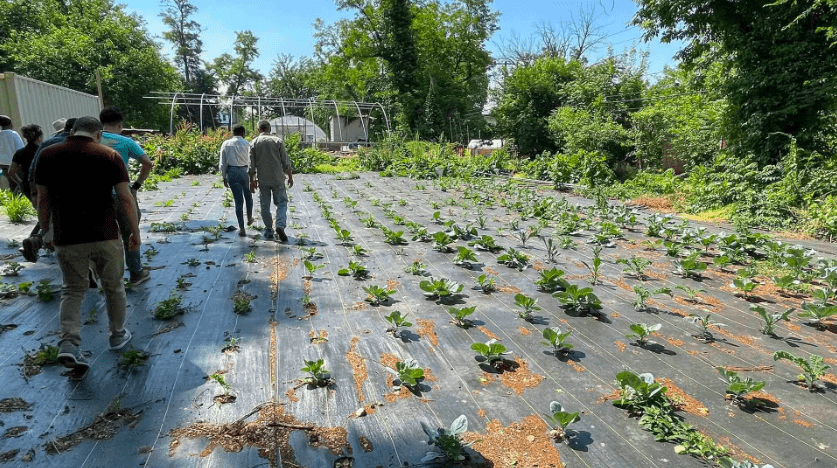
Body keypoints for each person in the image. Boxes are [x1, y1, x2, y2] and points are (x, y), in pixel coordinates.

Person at [34, 116, 137, 371]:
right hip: (105, 233)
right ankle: (117, 335)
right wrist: (134, 231)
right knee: (113, 286)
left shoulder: (48, 155)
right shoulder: (109, 156)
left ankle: (69, 343)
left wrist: (46, 231)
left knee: (72, 289)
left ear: (72, 131)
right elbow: (125, 198)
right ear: (98, 134)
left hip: (68, 236)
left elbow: (43, 199)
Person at [99, 107, 153, 285]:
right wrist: (136, 185)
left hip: (95, 196)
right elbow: (147, 163)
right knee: (129, 230)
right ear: (120, 125)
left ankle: (102, 275)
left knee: (100, 234)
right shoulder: (125, 142)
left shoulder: (92, 140)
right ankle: (136, 272)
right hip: (120, 193)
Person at [21, 117, 77, 263]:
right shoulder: (80, 143)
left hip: (46, 188)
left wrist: (34, 193)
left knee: (51, 218)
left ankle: (37, 240)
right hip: (70, 189)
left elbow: (33, 170)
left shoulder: (47, 143)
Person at [249, 120, 294, 241]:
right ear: (269, 129)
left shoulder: (254, 143)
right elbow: (285, 161)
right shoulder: (277, 141)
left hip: (263, 179)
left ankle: (269, 230)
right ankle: (280, 225)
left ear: (258, 130)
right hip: (278, 178)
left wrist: (252, 181)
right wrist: (289, 176)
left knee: (265, 205)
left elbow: (251, 165)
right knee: (281, 203)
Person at [219, 125, 254, 236]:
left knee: (238, 201)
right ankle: (249, 217)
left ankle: (242, 228)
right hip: (245, 171)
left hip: (232, 172)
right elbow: (252, 161)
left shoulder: (226, 144)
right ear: (243, 132)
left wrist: (224, 176)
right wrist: (253, 177)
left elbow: (222, 162)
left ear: (232, 132)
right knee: (248, 196)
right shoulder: (247, 143)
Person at [9, 124, 43, 200]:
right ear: (39, 138)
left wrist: (20, 183)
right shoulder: (43, 150)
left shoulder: (20, 153)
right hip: (44, 184)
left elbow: (11, 171)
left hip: (28, 186)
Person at [0, 115, 25, 192]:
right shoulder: (13, 134)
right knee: (21, 183)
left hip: (3, 164)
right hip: (14, 164)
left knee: (11, 183)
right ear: (9, 124)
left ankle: (15, 199)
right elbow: (20, 148)